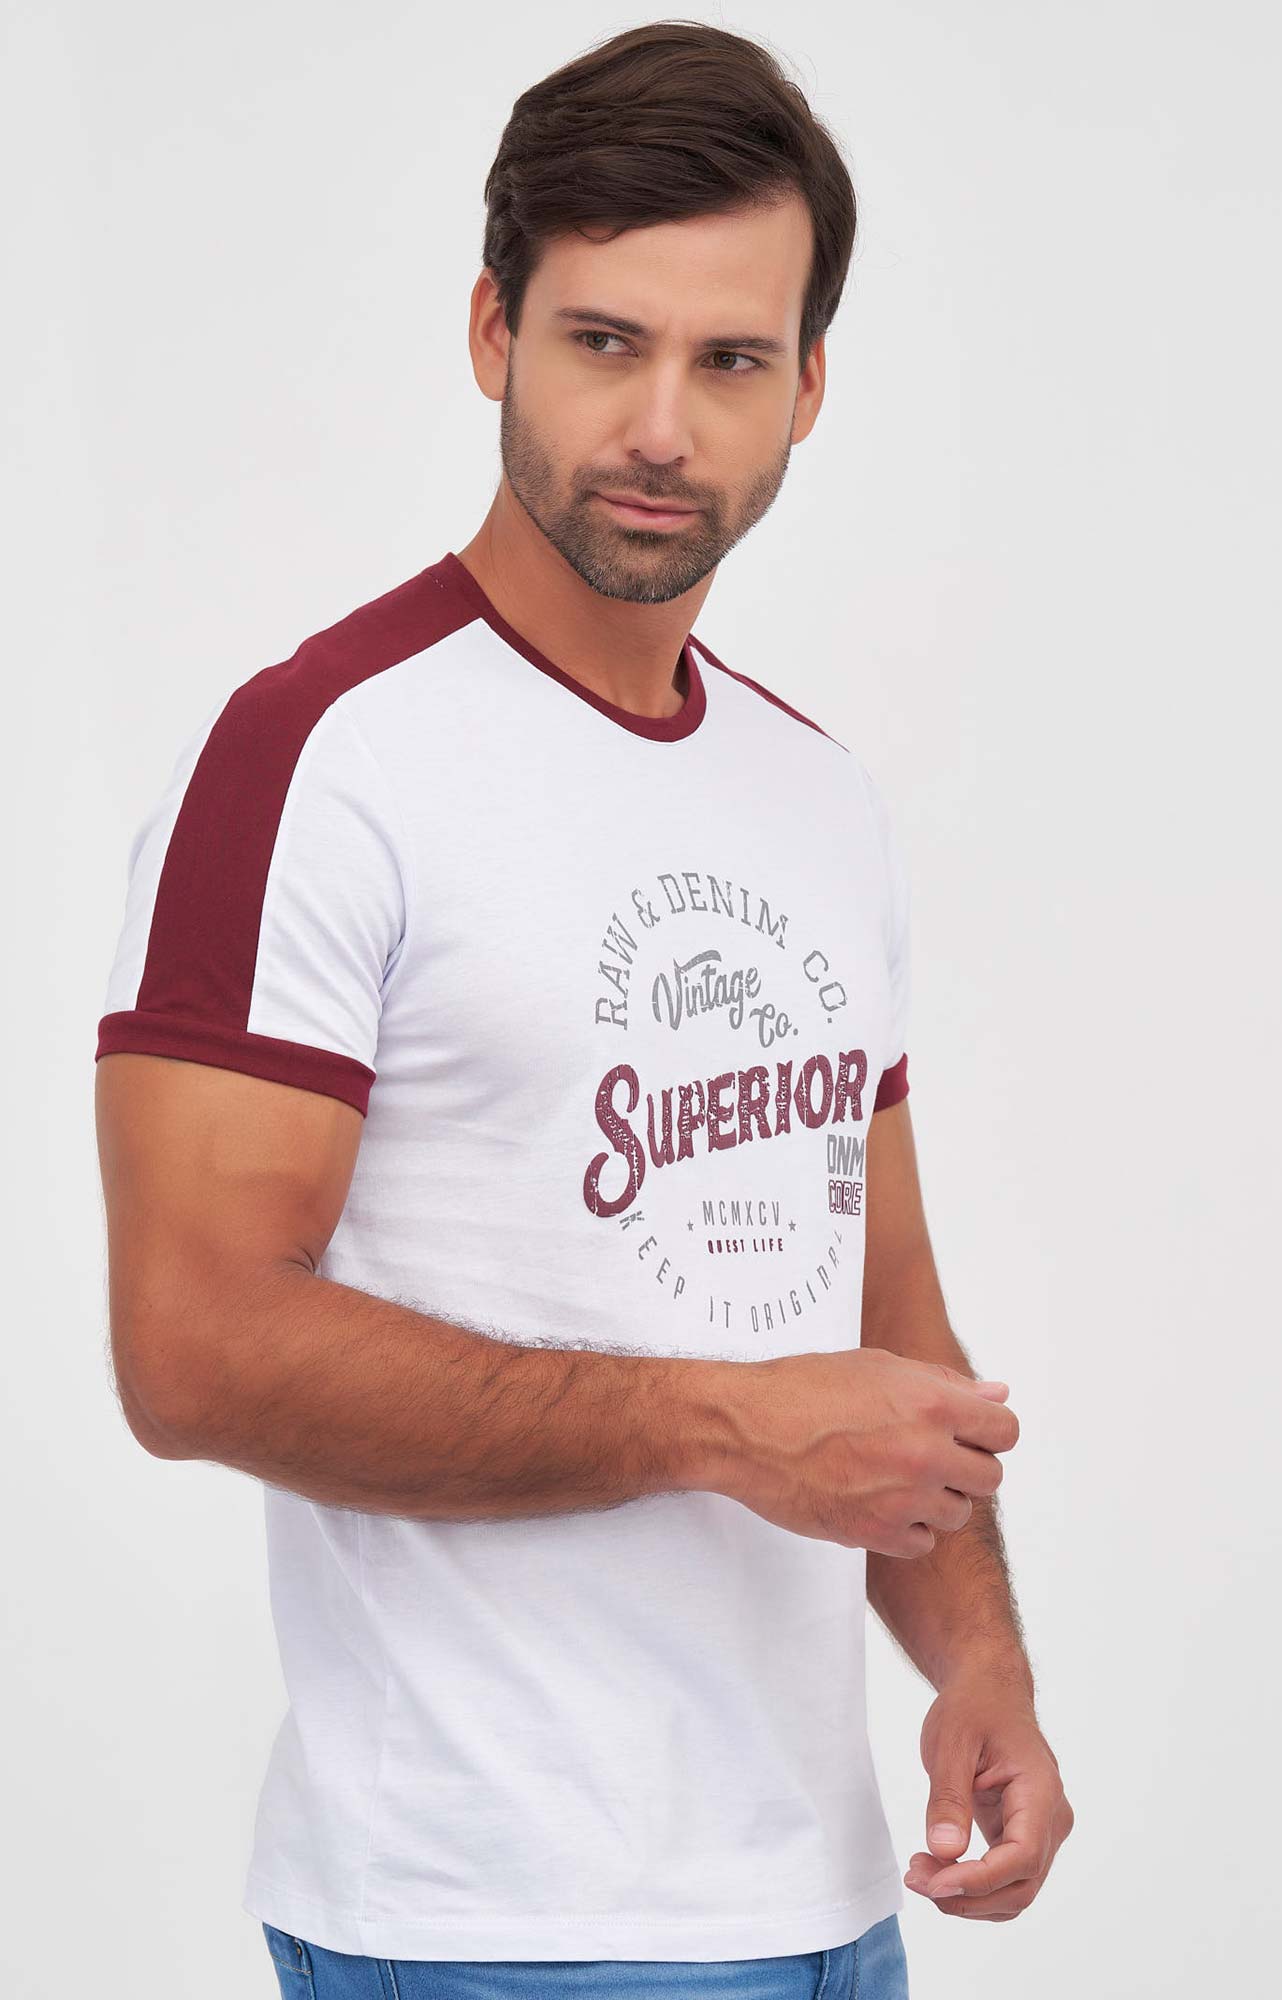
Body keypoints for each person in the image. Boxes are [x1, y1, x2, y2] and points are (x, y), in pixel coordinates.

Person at [93, 20, 1073, 1998]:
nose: (659, 428)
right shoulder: (315, 760)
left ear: (807, 386)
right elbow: (187, 1355)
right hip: (490, 1921)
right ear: (492, 333)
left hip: (824, 1904)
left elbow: (883, 1313)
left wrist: (977, 1657)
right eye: (602, 342)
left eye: (729, 362)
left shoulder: (814, 796)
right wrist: (721, 1427)